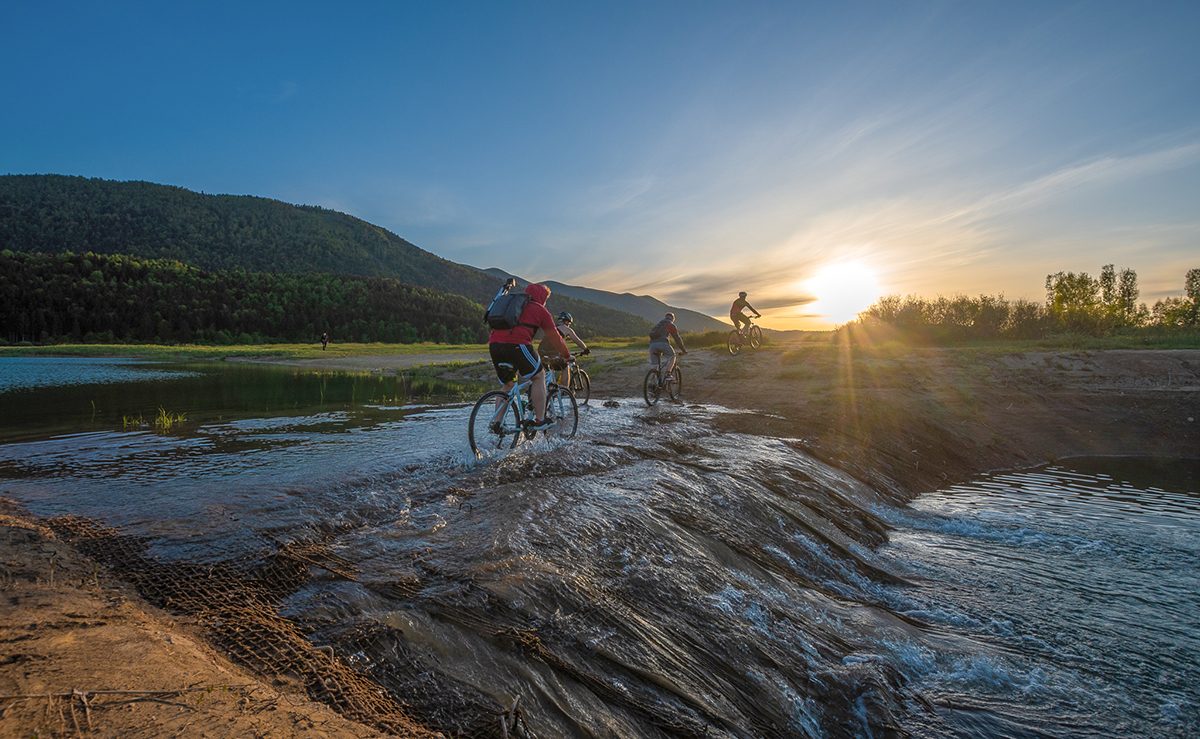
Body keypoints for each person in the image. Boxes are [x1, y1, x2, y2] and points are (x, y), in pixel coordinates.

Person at [489, 283, 571, 430]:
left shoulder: (513, 304)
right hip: (518, 345)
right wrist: (566, 355)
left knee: (508, 384)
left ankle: (497, 422)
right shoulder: (540, 309)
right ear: (542, 298)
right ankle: (540, 420)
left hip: (494, 345)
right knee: (538, 375)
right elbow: (555, 338)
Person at [538, 311, 589, 388]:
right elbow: (577, 341)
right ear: (566, 321)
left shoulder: (553, 327)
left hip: (541, 352)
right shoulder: (566, 329)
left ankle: (549, 390)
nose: (569, 325)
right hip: (552, 353)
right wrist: (586, 349)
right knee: (565, 366)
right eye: (569, 323)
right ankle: (565, 390)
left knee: (550, 370)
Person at [648, 312, 686, 387]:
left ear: (665, 317)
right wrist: (683, 350)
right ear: (673, 319)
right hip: (663, 344)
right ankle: (668, 374)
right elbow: (677, 338)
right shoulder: (670, 325)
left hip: (652, 345)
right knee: (673, 356)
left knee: (655, 366)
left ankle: (652, 384)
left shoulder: (658, 325)